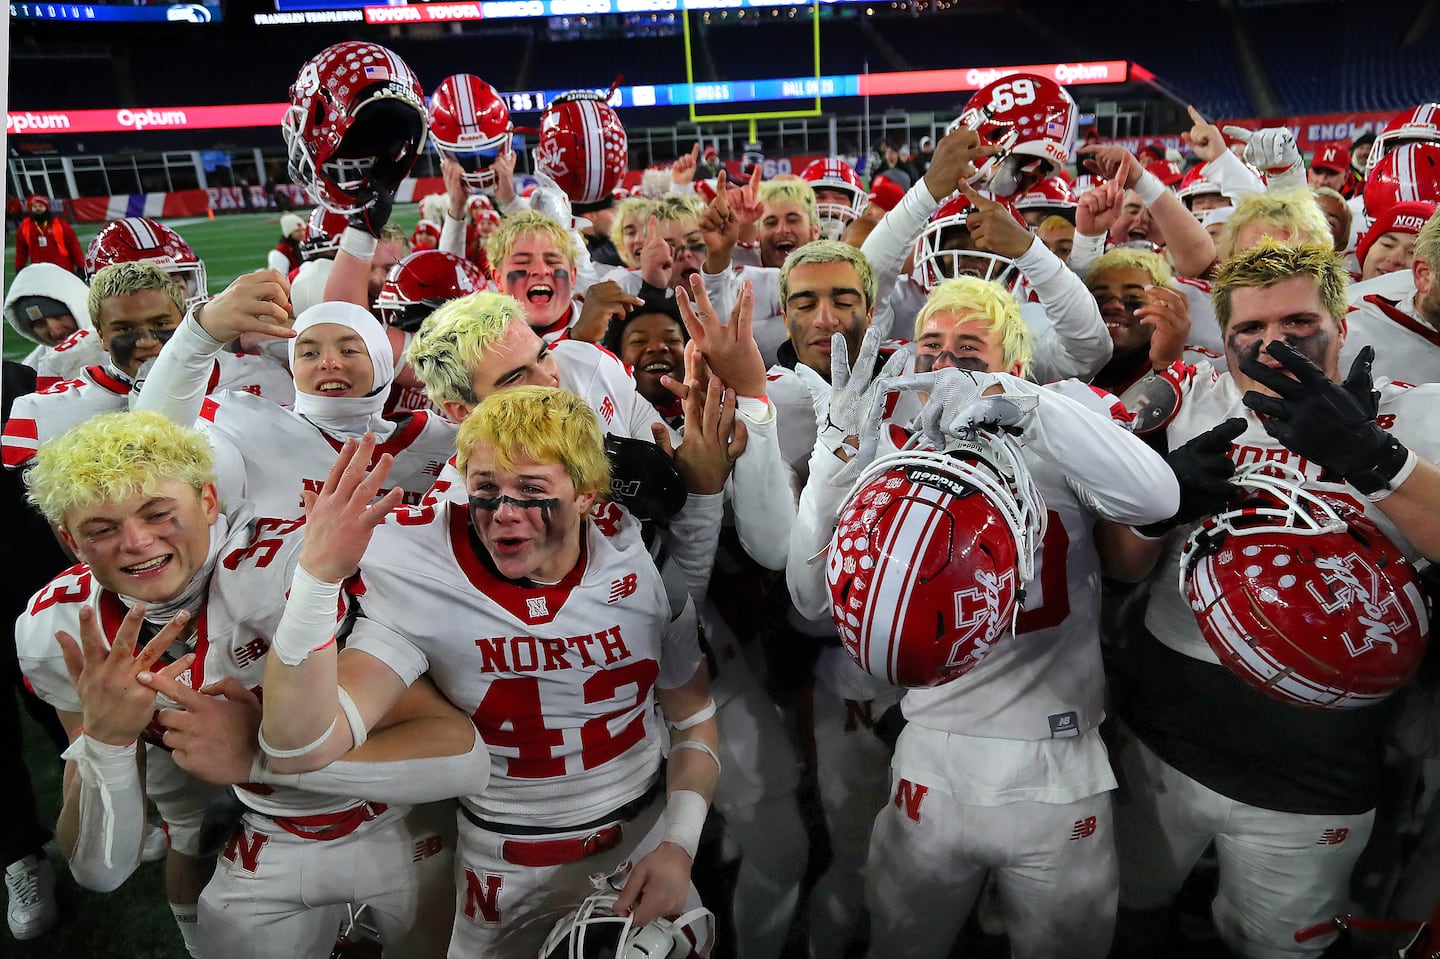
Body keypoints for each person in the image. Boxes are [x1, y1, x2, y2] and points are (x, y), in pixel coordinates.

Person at [784, 276, 1177, 959]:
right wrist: (834, 462)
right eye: (932, 344)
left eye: (971, 347)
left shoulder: (1059, 415)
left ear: (1015, 362)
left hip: (1060, 763)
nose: (946, 362)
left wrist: (1021, 403)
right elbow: (811, 597)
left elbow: (1154, 496)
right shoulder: (891, 448)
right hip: (934, 753)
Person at [256, 385, 723, 958]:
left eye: (531, 490)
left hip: (648, 830)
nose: (504, 512)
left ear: (587, 494)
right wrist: (318, 576)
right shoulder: (415, 564)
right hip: (507, 859)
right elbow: (298, 744)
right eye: (486, 490)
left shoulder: (639, 554)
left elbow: (695, 719)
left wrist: (679, 844)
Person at [16, 411, 485, 959]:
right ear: (70, 539)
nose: (136, 542)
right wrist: (107, 740)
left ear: (209, 502)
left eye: (158, 513)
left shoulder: (288, 569)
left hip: (395, 815)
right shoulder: (62, 627)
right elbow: (98, 869)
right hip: (271, 828)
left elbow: (461, 759)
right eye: (102, 528)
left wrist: (255, 757)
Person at [1103, 241, 1440, 959]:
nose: (1272, 344)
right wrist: (1155, 510)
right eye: (1248, 331)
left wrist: (1375, 461)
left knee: (1282, 948)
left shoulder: (1412, 415)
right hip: (1169, 726)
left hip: (1318, 753)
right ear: (1221, 336)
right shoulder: (1187, 395)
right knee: (1131, 908)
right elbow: (1123, 569)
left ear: (1343, 325)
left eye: (1297, 322)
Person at [134, 276, 457, 521]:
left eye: (348, 350)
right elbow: (148, 449)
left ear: (382, 361)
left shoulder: (446, 441)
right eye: (310, 352)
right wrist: (198, 336)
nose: (328, 362)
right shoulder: (246, 427)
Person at [2, 262, 293, 472]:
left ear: (183, 320)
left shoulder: (263, 376)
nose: (146, 341)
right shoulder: (40, 412)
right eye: (125, 329)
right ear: (101, 336)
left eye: (161, 324)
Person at [1340, 207, 1440, 384]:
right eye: (1387, 244)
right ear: (1423, 275)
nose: (1395, 259)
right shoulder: (1345, 331)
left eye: (1411, 251)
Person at [3, 262, 99, 385]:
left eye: (58, 316)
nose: (55, 331)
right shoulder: (34, 368)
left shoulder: (120, 343)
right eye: (39, 324)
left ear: (78, 305)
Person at [14, 196, 84, 275]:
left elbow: (74, 246)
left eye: (40, 206)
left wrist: (80, 265)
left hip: (62, 268)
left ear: (46, 207)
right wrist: (19, 268)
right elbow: (20, 251)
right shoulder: (25, 226)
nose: (38, 209)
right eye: (35, 206)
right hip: (39, 271)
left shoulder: (60, 224)